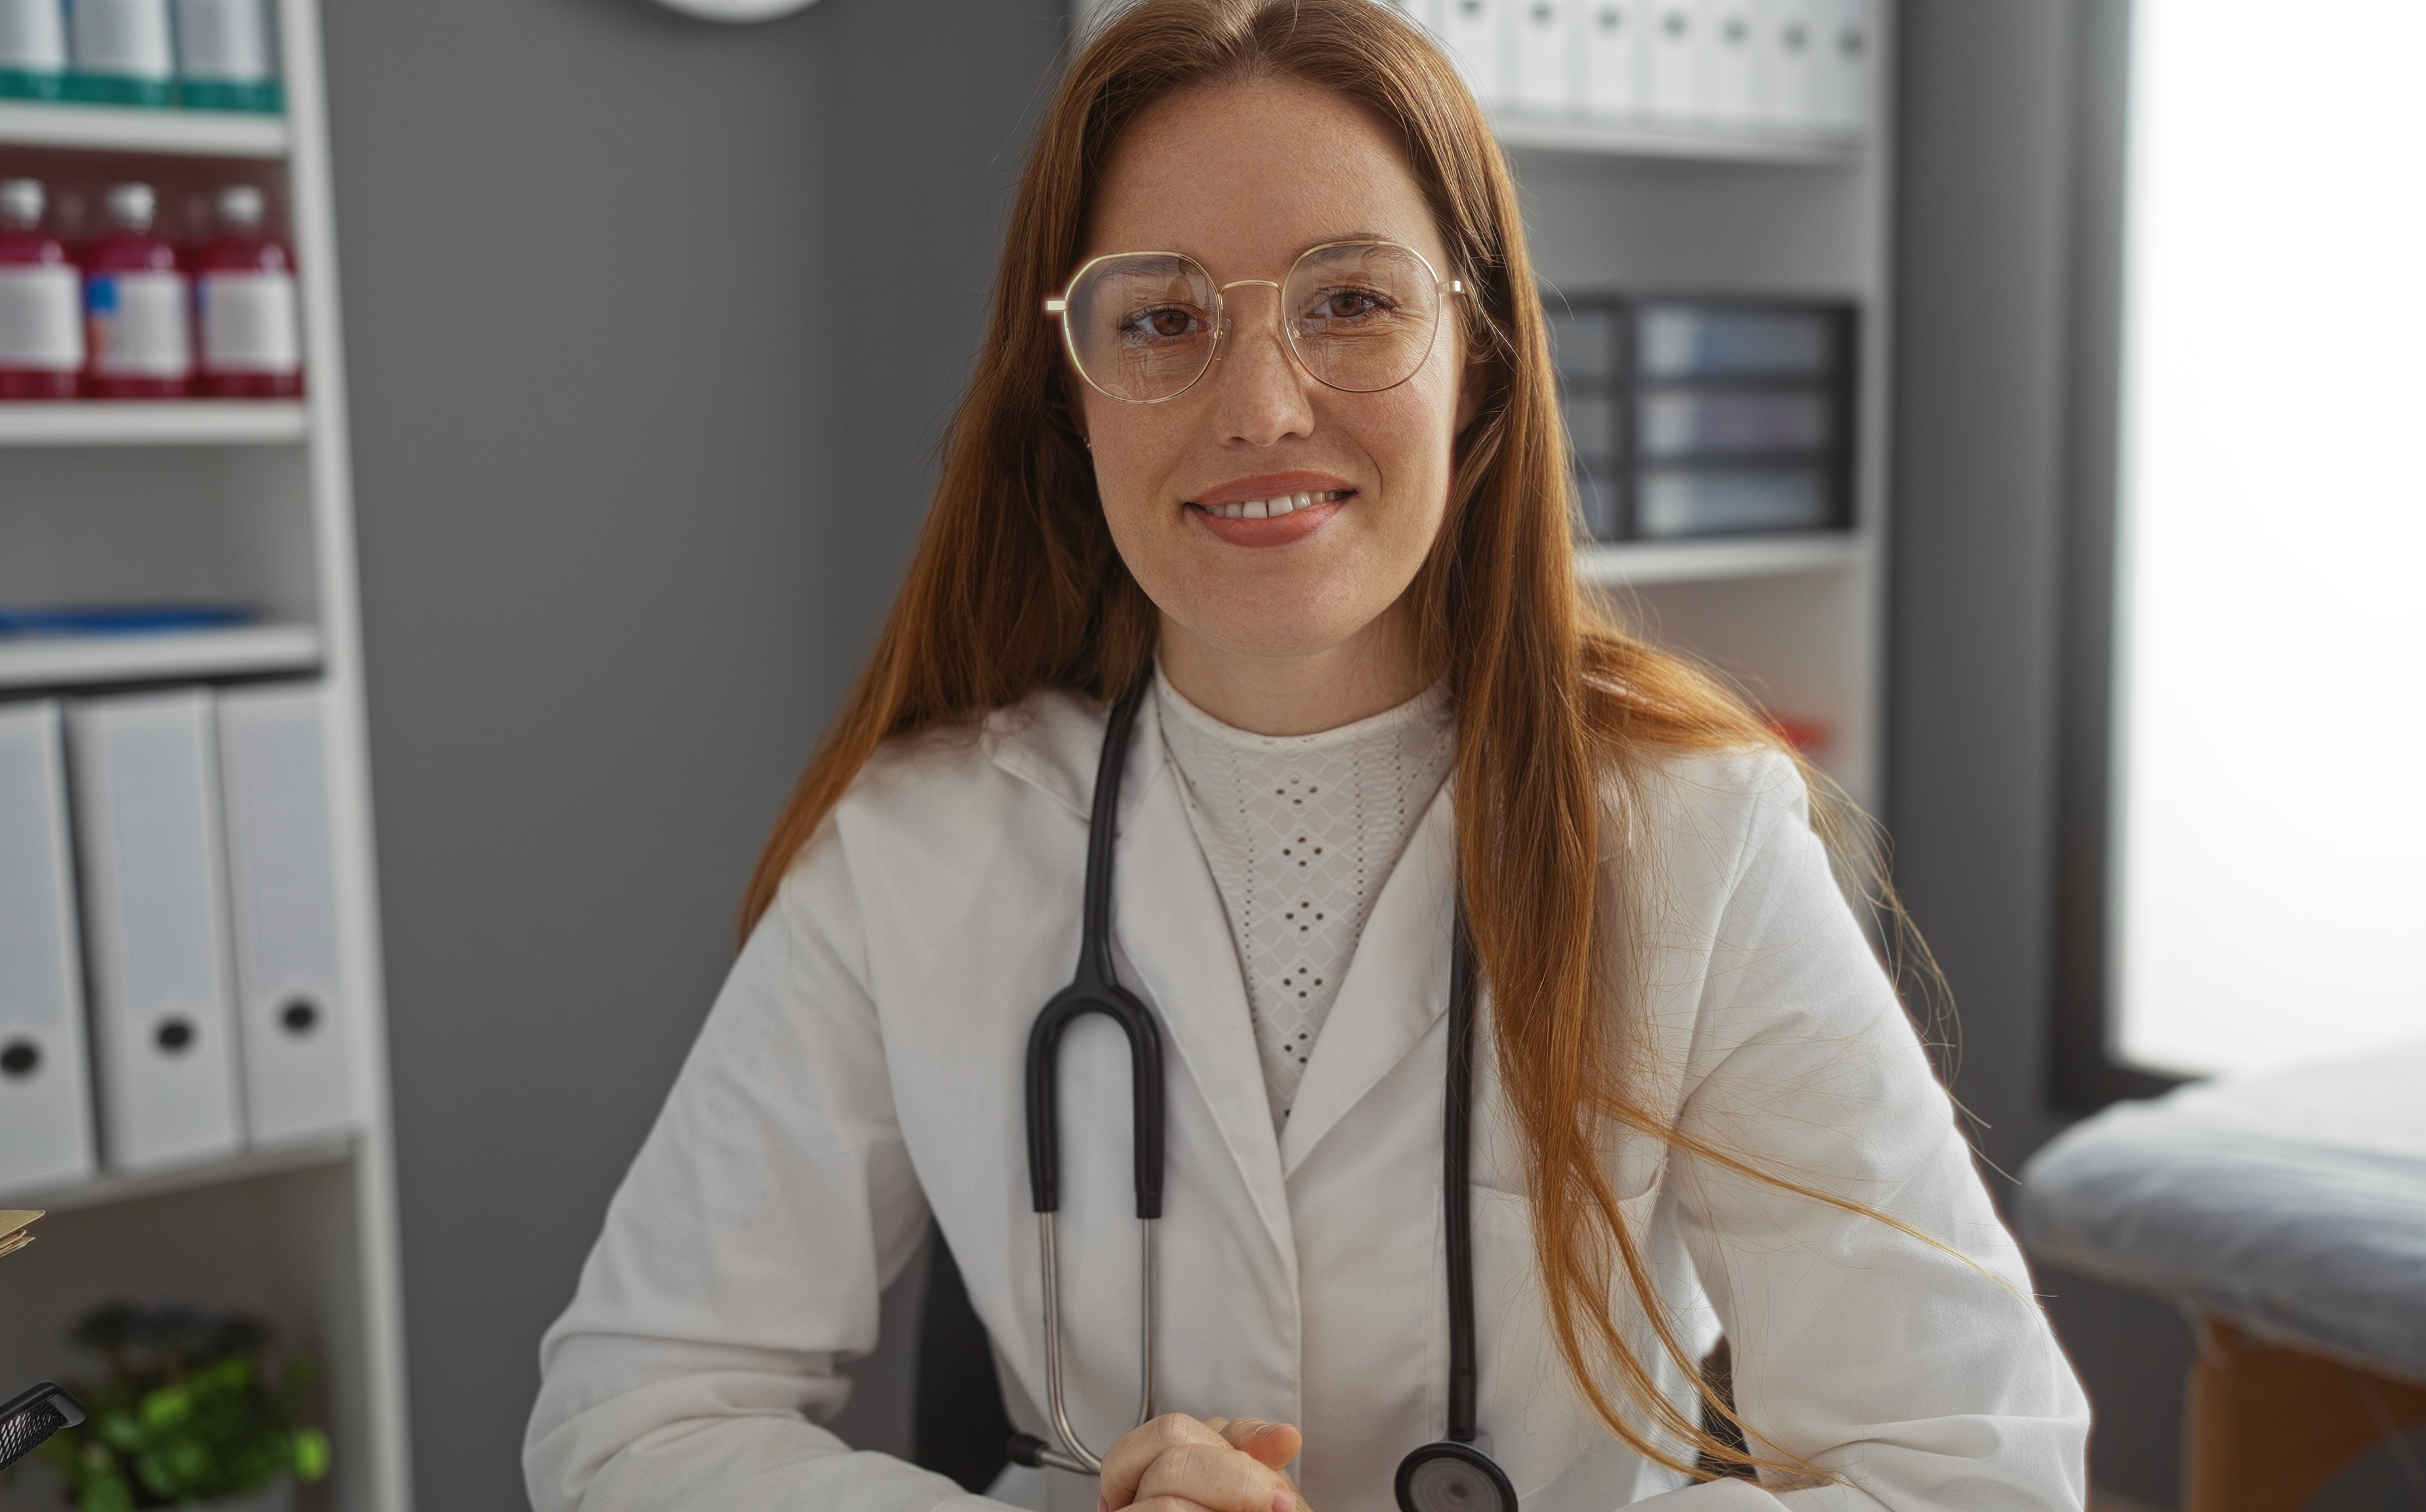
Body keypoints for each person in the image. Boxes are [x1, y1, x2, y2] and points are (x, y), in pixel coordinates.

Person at [522, 3, 2090, 1511]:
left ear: (1478, 357)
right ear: (1070, 394)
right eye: (1161, 319)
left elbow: (1971, 1464)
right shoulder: (916, 848)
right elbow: (632, 1417)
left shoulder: (1695, 839)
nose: (1261, 406)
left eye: (1349, 302)